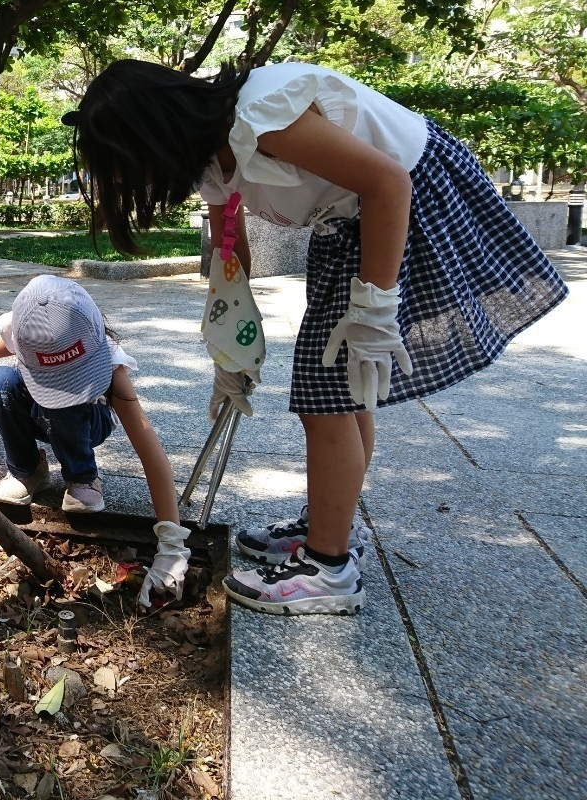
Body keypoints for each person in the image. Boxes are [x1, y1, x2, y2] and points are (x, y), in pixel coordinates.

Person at [64, 59, 568, 616]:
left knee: (322, 395)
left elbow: (388, 182)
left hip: (402, 202)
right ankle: (331, 522)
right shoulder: (209, 162)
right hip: (346, 220)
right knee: (338, 387)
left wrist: (375, 308)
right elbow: (230, 250)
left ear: (152, 134)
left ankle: (328, 567)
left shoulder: (261, 114)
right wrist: (232, 345)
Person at [0, 275, 191, 606]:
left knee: (63, 404)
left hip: (86, 420)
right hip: (40, 412)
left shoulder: (109, 360)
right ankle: (27, 470)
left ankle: (83, 475)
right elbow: (4, 340)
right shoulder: (28, 328)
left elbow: (150, 452)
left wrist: (171, 545)